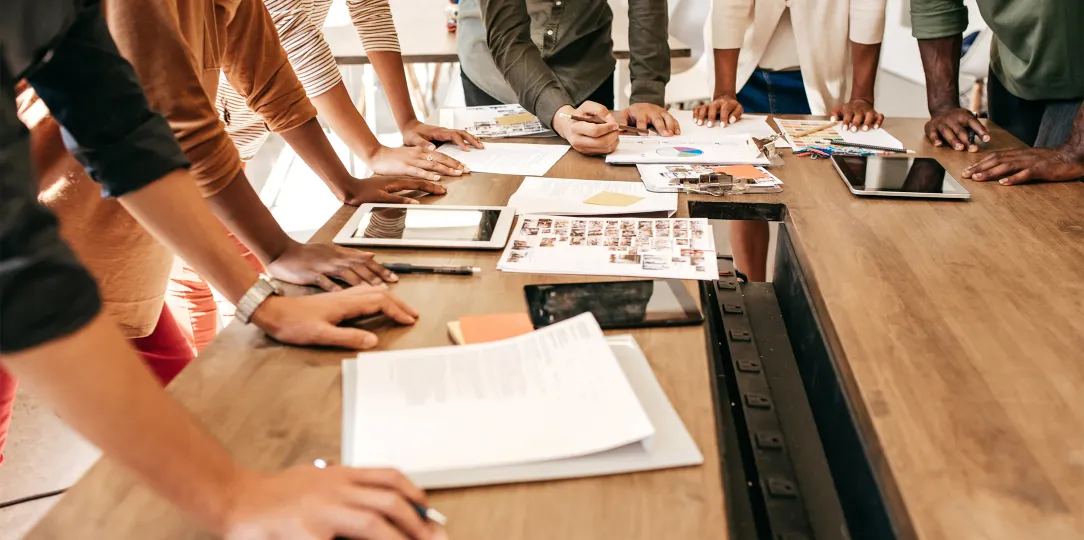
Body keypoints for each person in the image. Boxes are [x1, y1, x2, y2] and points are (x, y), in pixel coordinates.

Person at [2, 4, 443, 538]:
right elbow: (19, 256)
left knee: (201, 407)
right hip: (48, 219)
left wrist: (266, 297)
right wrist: (232, 498)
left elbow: (123, 128)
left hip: (85, 232)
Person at [692, 0, 888, 282]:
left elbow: (868, 8)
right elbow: (729, 7)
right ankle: (753, 293)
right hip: (745, 71)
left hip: (818, 72)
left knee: (817, 195)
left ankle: (810, 298)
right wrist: (724, 91)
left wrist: (862, 97)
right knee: (747, 191)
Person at [216, 0, 484, 184]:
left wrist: (408, 122)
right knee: (220, 247)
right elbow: (294, 35)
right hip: (212, 109)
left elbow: (370, 11)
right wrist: (373, 152)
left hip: (251, 106)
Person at [457, 0, 679, 156]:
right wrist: (560, 115)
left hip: (585, 62)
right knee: (502, 192)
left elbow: (647, 6)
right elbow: (508, 36)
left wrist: (647, 92)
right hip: (497, 75)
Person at [910, 0, 1084, 186]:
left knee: (1058, 202)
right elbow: (935, 4)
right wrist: (943, 106)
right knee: (1001, 193)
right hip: (1010, 71)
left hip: (1078, 81)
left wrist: (1076, 150)